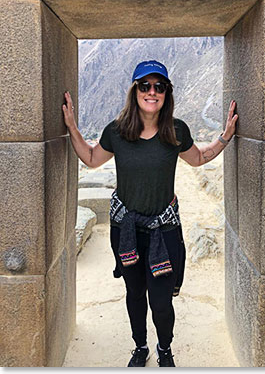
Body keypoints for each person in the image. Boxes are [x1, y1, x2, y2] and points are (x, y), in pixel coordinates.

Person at [63, 60, 238, 367]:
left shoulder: (176, 130)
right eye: (145, 86)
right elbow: (91, 158)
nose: (152, 92)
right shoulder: (117, 132)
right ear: (135, 91)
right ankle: (140, 346)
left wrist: (224, 137)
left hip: (164, 230)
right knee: (134, 293)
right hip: (126, 229)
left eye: (159, 86)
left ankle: (165, 348)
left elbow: (198, 158)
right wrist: (72, 127)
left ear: (166, 93)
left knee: (160, 300)